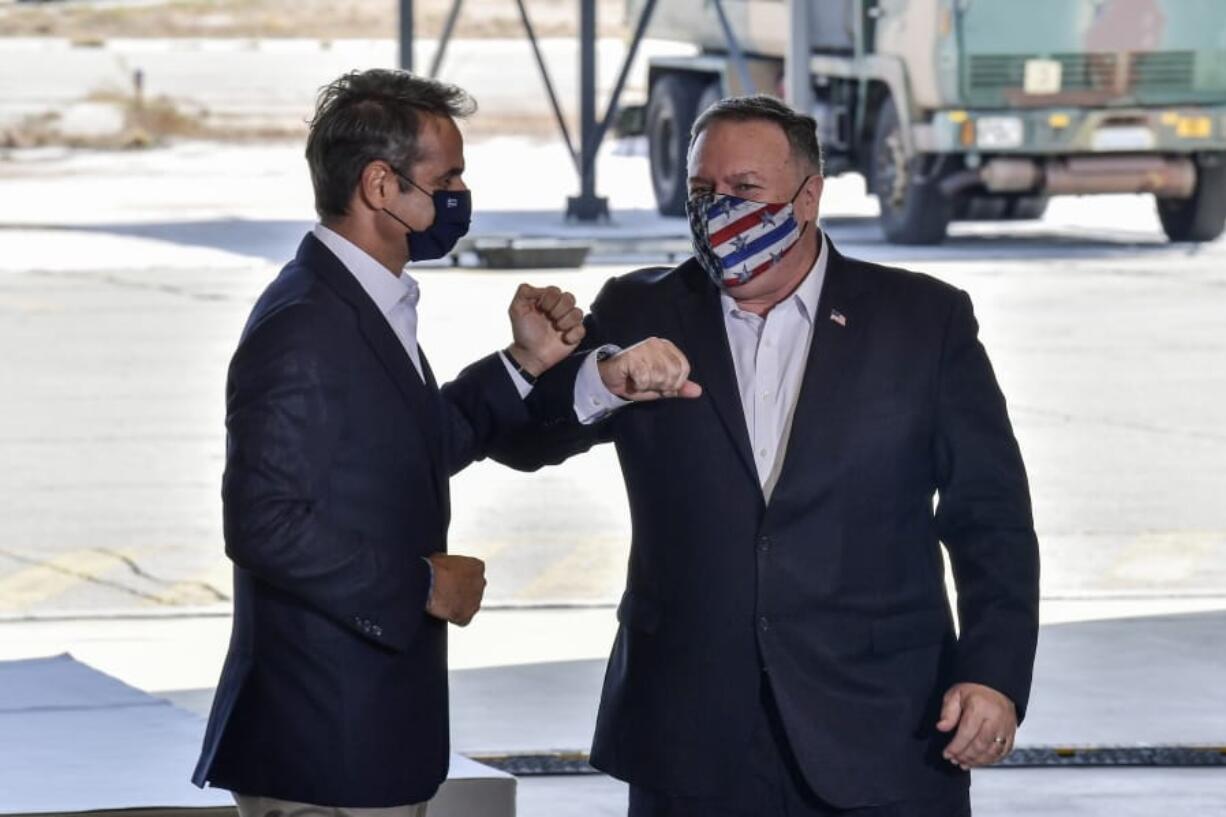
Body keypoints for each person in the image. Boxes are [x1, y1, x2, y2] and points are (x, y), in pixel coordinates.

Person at [494, 94, 1040, 816]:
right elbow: (525, 439)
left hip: (884, 729)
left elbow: (991, 517)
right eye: (702, 192)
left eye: (744, 191)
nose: (718, 211)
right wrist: (600, 377)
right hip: (691, 738)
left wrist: (993, 675)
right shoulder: (639, 310)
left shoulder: (923, 320)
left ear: (807, 197)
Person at [191, 69, 585, 815]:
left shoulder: (361, 301)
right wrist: (420, 586)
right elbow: (262, 520)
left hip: (358, 733)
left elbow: (409, 442)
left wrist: (524, 362)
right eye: (449, 176)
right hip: (322, 741)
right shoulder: (304, 324)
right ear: (380, 185)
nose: (460, 195)